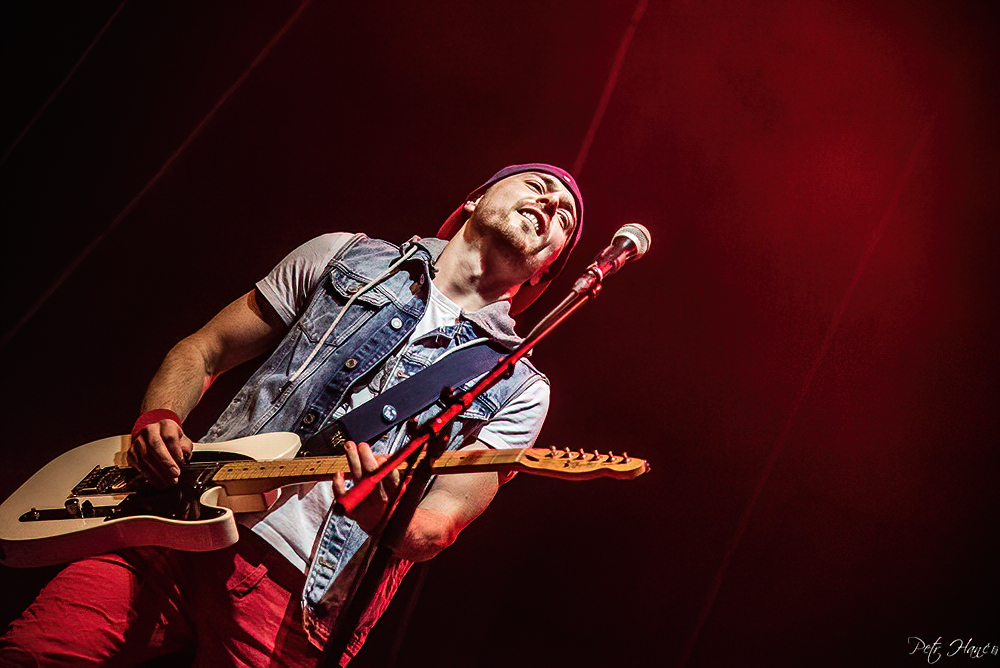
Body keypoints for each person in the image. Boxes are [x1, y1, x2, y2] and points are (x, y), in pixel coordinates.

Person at [0, 163, 583, 666]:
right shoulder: (346, 256)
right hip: (172, 524)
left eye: (564, 219)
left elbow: (438, 526)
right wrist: (159, 417)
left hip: (296, 599)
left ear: (546, 270)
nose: (550, 205)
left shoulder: (519, 386)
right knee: (30, 654)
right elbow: (203, 350)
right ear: (474, 200)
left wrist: (385, 517)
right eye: (538, 186)